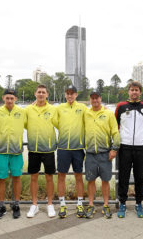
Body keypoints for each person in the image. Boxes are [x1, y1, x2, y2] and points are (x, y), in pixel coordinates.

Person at [115, 81, 143, 218]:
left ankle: (138, 204)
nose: (134, 92)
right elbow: (115, 126)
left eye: (137, 90)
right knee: (123, 177)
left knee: (140, 177)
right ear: (128, 92)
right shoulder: (121, 106)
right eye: (132, 90)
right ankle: (123, 203)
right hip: (125, 147)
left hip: (141, 147)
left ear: (140, 92)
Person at [84, 91, 120, 219]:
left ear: (100, 98)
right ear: (90, 100)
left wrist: (114, 149)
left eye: (97, 98)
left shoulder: (108, 113)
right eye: (92, 98)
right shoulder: (86, 113)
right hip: (90, 154)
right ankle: (91, 204)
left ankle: (106, 204)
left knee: (106, 180)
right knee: (90, 180)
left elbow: (115, 132)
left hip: (105, 153)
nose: (95, 100)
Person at [25, 85, 58, 218]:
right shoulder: (28, 109)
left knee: (49, 177)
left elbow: (61, 122)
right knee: (34, 177)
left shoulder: (53, 109)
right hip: (33, 149)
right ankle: (35, 205)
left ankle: (50, 204)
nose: (41, 94)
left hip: (48, 149)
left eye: (43, 92)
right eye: (39, 92)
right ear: (35, 94)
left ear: (47, 95)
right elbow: (23, 124)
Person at [0, 90, 26, 219]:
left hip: (16, 151)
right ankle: (1, 206)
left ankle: (16, 204)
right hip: (1, 151)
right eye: (7, 98)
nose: (9, 100)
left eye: (12, 98)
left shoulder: (22, 112)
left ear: (16, 99)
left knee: (17, 178)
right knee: (1, 179)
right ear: (3, 98)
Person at [56, 85, 87, 218]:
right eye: (67, 93)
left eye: (72, 93)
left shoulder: (83, 108)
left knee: (79, 176)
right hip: (63, 148)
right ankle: (62, 204)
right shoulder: (59, 108)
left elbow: (92, 117)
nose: (69, 96)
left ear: (76, 94)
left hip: (78, 148)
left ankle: (80, 203)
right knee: (61, 176)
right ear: (65, 94)